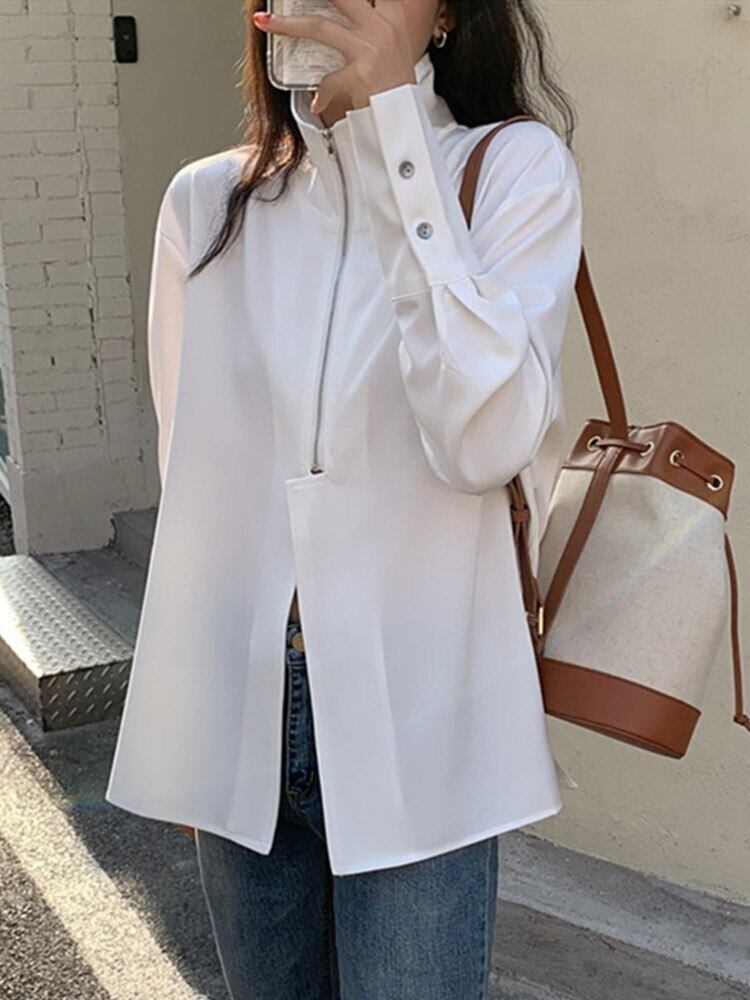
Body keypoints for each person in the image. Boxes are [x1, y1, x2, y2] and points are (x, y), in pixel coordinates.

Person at [105, 0, 582, 996]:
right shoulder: (207, 203)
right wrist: (198, 720)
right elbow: (194, 482)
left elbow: (482, 441)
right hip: (244, 710)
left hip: (422, 711)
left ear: (446, 14)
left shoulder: (511, 172)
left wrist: (394, 134)